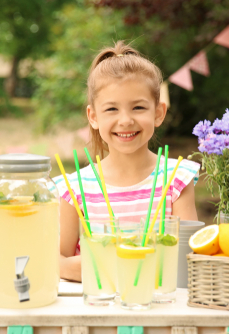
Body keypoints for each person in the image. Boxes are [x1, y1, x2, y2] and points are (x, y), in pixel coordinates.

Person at [53, 41, 200, 282]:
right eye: (111, 109)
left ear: (158, 113)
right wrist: (129, 263)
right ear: (93, 117)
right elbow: (55, 261)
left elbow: (187, 259)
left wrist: (108, 263)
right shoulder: (74, 188)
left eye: (138, 107)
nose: (125, 120)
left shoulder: (177, 180)